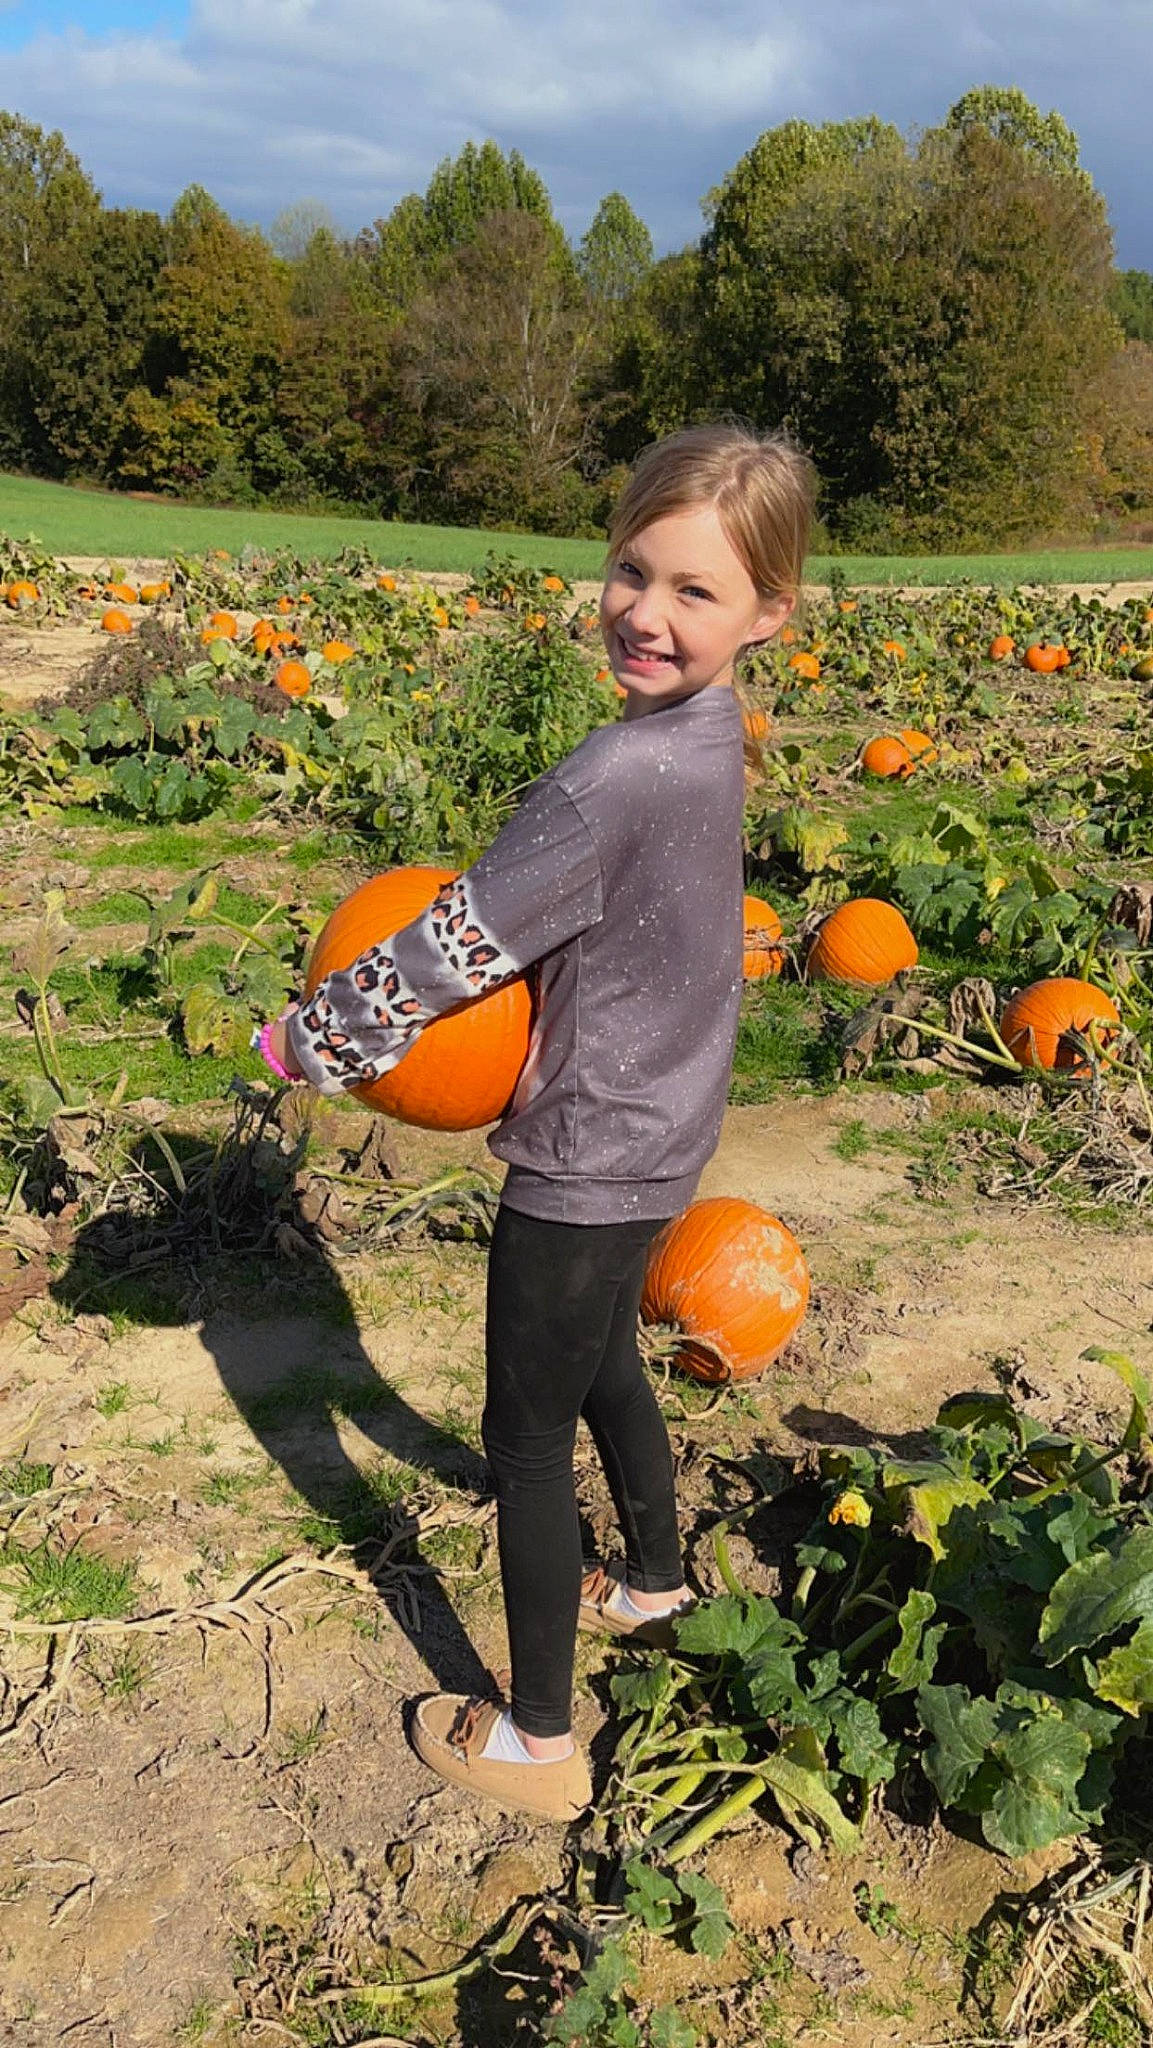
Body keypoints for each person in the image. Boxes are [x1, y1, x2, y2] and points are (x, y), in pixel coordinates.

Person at [258, 423, 815, 1822]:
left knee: (519, 1434)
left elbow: (458, 941)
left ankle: (538, 1739)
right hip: (668, 1125)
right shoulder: (702, 737)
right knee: (600, 1355)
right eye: (633, 571)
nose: (644, 611)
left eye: (694, 591)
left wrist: (313, 1037)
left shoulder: (610, 775)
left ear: (768, 611)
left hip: (586, 1147)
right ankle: (651, 1577)